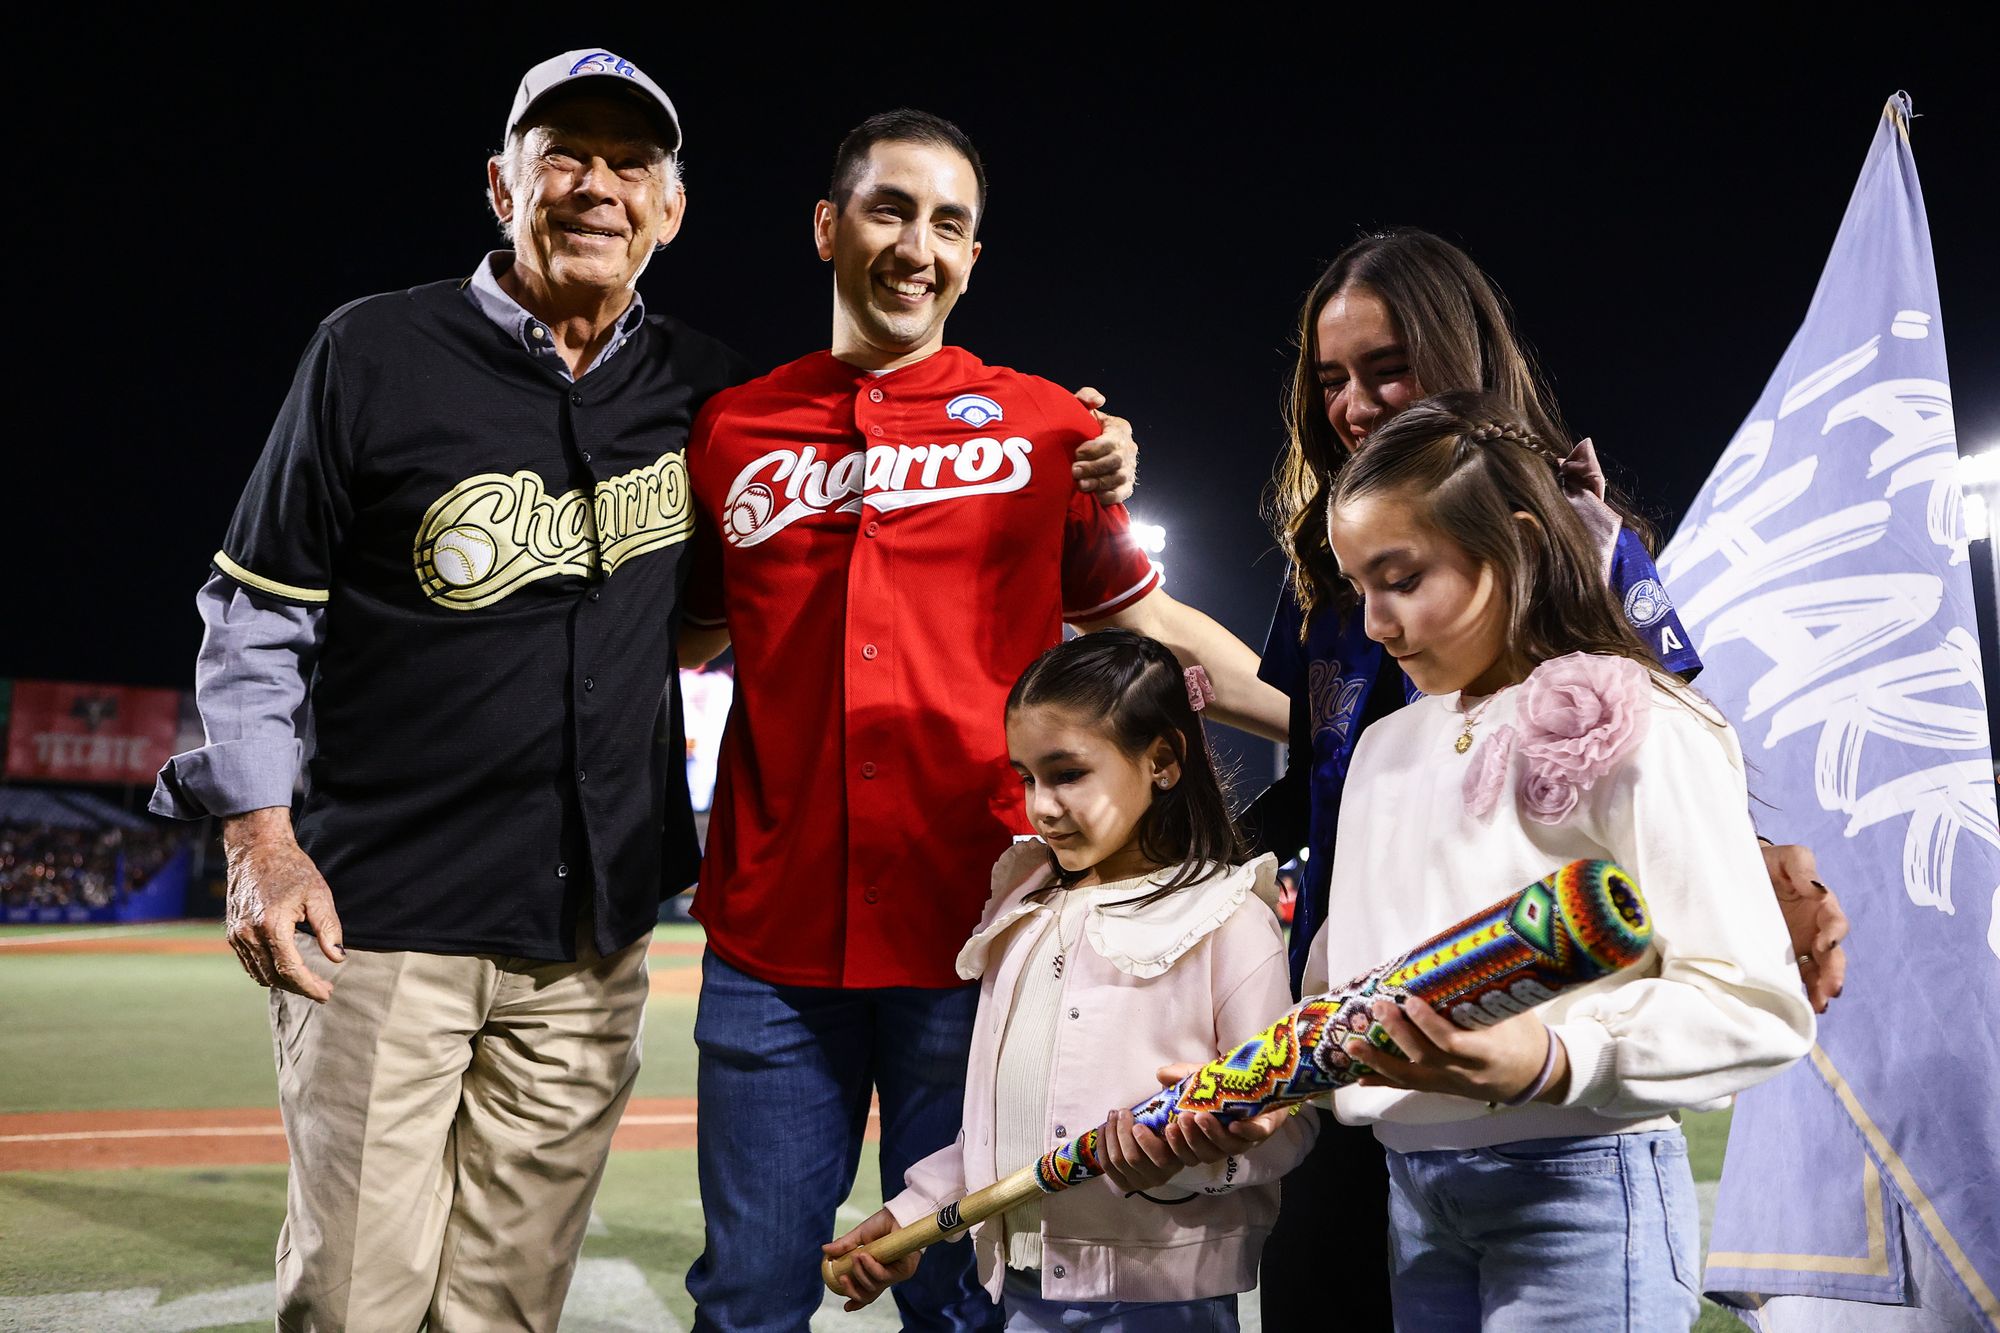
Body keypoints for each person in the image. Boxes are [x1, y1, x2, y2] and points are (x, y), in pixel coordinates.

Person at [147, 49, 750, 1330]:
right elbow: (257, 613)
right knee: (358, 1301)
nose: (597, 184)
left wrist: (1077, 459)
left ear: (672, 207)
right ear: (500, 183)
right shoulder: (373, 349)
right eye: (564, 153)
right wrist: (258, 840)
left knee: (503, 1313)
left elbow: (713, 605)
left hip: (590, 946)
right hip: (384, 925)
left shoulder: (708, 391)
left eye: (630, 161)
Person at [677, 110, 1288, 1330]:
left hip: (978, 939)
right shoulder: (731, 430)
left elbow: (1147, 621)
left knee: (964, 1300)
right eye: (889, 210)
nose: (917, 245)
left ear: (971, 257)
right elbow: (683, 635)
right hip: (770, 941)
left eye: (947, 223)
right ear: (826, 227)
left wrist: (1326, 728)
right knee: (748, 1294)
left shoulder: (1047, 429)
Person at [1244, 228, 1851, 1327]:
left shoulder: (1614, 671)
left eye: (1385, 366)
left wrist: (1548, 1052)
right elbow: (1314, 800)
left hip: (1576, 1160)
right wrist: (1268, 1075)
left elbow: (1677, 817)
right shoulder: (1380, 705)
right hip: (1404, 1158)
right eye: (1328, 377)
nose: (1350, 401)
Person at [824, 630, 1314, 1327]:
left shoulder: (1229, 916)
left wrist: (1207, 1151)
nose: (1041, 805)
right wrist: (911, 1216)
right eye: (1026, 776)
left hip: (1164, 1302)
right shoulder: (1022, 911)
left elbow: (1289, 1124)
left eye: (1068, 773)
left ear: (1164, 761)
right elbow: (999, 1128)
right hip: (1025, 1297)